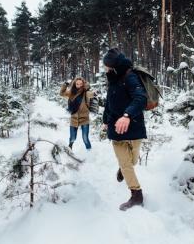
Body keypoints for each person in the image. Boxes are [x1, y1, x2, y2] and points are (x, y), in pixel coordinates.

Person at [102, 48, 147, 211]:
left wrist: (127, 115)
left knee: (132, 161)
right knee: (126, 163)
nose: (105, 69)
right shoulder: (112, 79)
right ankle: (136, 195)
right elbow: (109, 102)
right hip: (116, 128)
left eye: (106, 66)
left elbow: (141, 98)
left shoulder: (130, 77)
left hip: (134, 125)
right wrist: (105, 120)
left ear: (113, 66)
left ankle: (123, 169)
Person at [60, 77, 94, 150]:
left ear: (83, 84)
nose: (79, 85)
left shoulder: (86, 92)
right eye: (77, 84)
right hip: (74, 118)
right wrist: (65, 85)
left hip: (84, 118)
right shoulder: (71, 92)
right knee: (72, 138)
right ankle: (69, 149)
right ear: (75, 84)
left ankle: (90, 153)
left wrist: (88, 89)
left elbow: (91, 95)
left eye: (81, 84)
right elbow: (62, 93)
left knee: (85, 138)